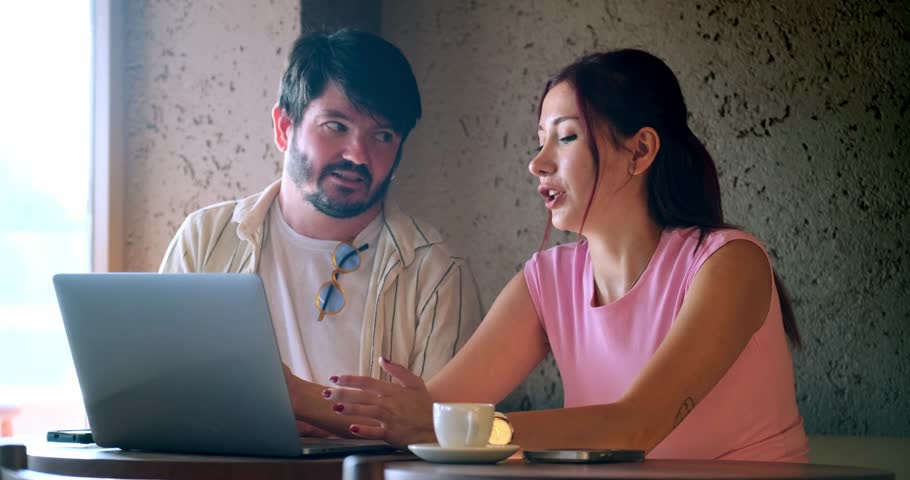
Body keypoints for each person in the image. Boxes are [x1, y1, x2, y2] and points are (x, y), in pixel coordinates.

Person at [315, 49, 809, 461]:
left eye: (566, 137)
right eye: (539, 141)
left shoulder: (729, 263)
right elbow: (431, 411)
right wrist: (287, 395)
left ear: (640, 151)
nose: (538, 162)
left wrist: (462, 430)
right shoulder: (548, 279)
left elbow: (635, 426)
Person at [159, 29, 483, 435]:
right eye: (336, 126)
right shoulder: (204, 239)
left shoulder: (436, 274)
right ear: (284, 127)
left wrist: (303, 407)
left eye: (382, 136)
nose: (358, 155)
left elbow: (448, 438)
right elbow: (162, 398)